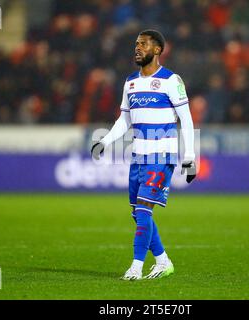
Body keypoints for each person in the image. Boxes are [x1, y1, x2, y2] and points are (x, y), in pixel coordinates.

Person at [91, 29, 196, 280]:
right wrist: (104, 141)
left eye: (144, 44)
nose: (137, 48)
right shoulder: (130, 82)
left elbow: (186, 119)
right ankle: (163, 261)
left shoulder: (172, 80)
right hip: (138, 156)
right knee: (138, 212)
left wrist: (190, 156)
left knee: (144, 209)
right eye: (136, 44)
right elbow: (123, 120)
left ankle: (136, 267)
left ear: (157, 49)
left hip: (162, 155)